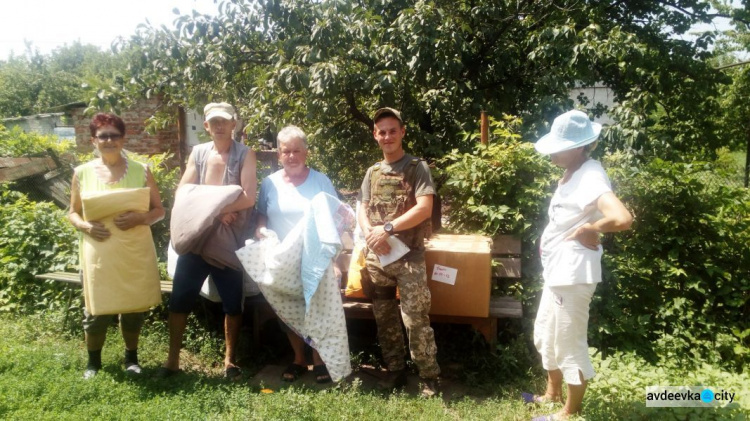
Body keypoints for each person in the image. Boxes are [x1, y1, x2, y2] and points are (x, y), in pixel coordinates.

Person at [525, 110, 633, 420]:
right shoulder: (572, 173)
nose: (554, 153)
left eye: (560, 147)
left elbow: (622, 218)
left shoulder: (590, 174)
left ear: (580, 146)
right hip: (558, 272)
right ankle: (551, 394)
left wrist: (592, 228)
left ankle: (568, 412)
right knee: (545, 333)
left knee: (569, 342)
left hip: (573, 274)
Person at [162, 102, 257, 380]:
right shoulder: (198, 153)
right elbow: (183, 191)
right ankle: (172, 361)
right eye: (213, 122)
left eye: (224, 121)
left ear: (233, 124)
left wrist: (217, 208)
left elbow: (248, 197)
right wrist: (218, 208)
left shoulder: (246, 154)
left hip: (228, 241)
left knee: (233, 303)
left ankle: (230, 361)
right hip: (197, 239)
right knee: (179, 299)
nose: (218, 126)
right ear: (206, 125)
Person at [68, 112, 165, 379]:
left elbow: (159, 210)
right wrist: (86, 226)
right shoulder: (82, 173)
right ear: (93, 141)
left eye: (114, 135)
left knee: (133, 308)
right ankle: (93, 363)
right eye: (103, 136)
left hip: (133, 251)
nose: (109, 140)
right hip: (99, 252)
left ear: (123, 139)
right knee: (96, 310)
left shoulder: (141, 171)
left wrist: (141, 217)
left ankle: (131, 359)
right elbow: (72, 213)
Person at [358, 107, 440, 398]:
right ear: (375, 135)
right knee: (384, 316)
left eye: (393, 130)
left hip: (409, 258)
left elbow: (424, 208)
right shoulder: (372, 172)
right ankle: (395, 370)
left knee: (415, 318)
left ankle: (428, 376)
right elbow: (362, 207)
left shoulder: (417, 168)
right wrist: (371, 233)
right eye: (382, 131)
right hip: (379, 257)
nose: (387, 136)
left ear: (402, 132)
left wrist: (387, 228)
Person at [255, 125, 339, 384]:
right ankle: (298, 358)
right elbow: (262, 217)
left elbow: (334, 220)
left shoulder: (321, 181)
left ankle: (319, 360)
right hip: (283, 260)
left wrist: (335, 262)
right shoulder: (269, 184)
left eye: (296, 151)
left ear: (306, 153)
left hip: (315, 260)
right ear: (279, 154)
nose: (291, 156)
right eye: (285, 151)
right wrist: (262, 232)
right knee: (289, 310)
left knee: (316, 310)